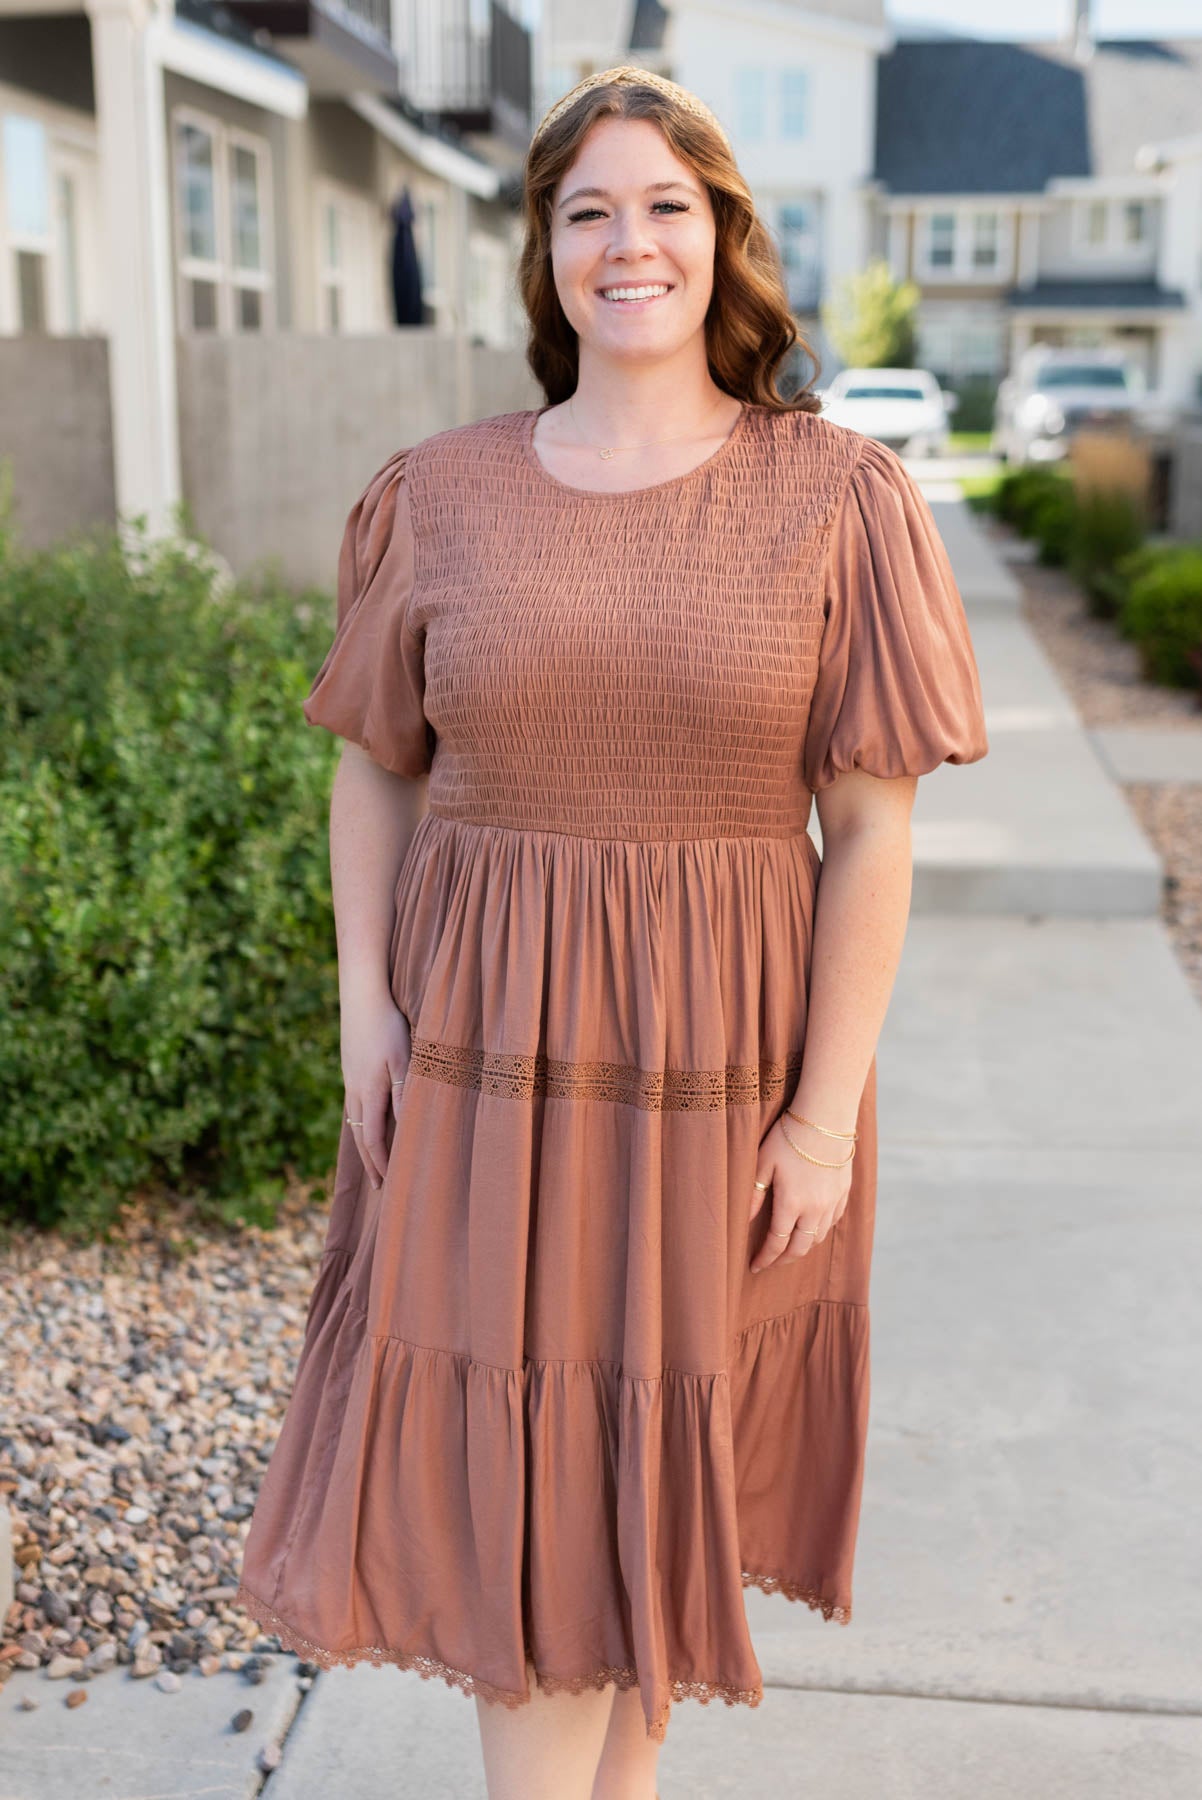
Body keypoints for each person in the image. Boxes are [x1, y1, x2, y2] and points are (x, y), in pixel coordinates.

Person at [235, 65, 989, 1800]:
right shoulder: (437, 491)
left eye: (664, 206)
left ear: (722, 237)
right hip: (484, 1064)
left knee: (652, 1489)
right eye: (587, 210)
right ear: (546, 253)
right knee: (525, 1510)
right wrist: (365, 1012)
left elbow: (871, 828)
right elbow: (376, 776)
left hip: (724, 1069)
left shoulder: (835, 497)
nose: (626, 242)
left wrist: (818, 1114)